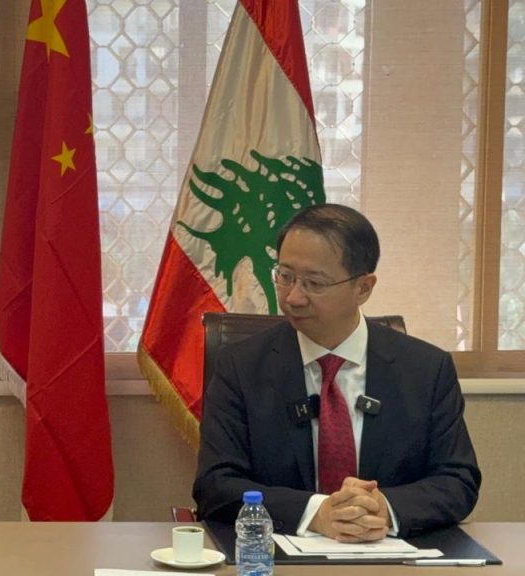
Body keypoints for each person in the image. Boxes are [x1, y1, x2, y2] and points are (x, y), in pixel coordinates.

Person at [193, 204, 481, 541]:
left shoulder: (425, 369)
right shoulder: (240, 366)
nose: (293, 297)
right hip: (277, 554)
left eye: (314, 283)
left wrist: (384, 508)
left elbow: (457, 480)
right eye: (285, 276)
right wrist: (316, 513)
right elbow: (215, 485)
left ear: (363, 288)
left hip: (390, 553)